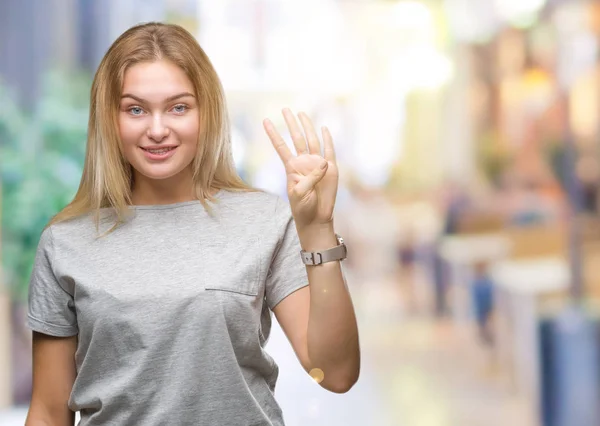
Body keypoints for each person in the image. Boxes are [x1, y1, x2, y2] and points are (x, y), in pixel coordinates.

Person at [25, 22, 360, 426]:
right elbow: (47, 411)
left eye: (178, 107)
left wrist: (319, 229)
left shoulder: (263, 221)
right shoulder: (65, 242)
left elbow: (336, 373)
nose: (158, 129)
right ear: (109, 120)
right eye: (135, 109)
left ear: (206, 112)